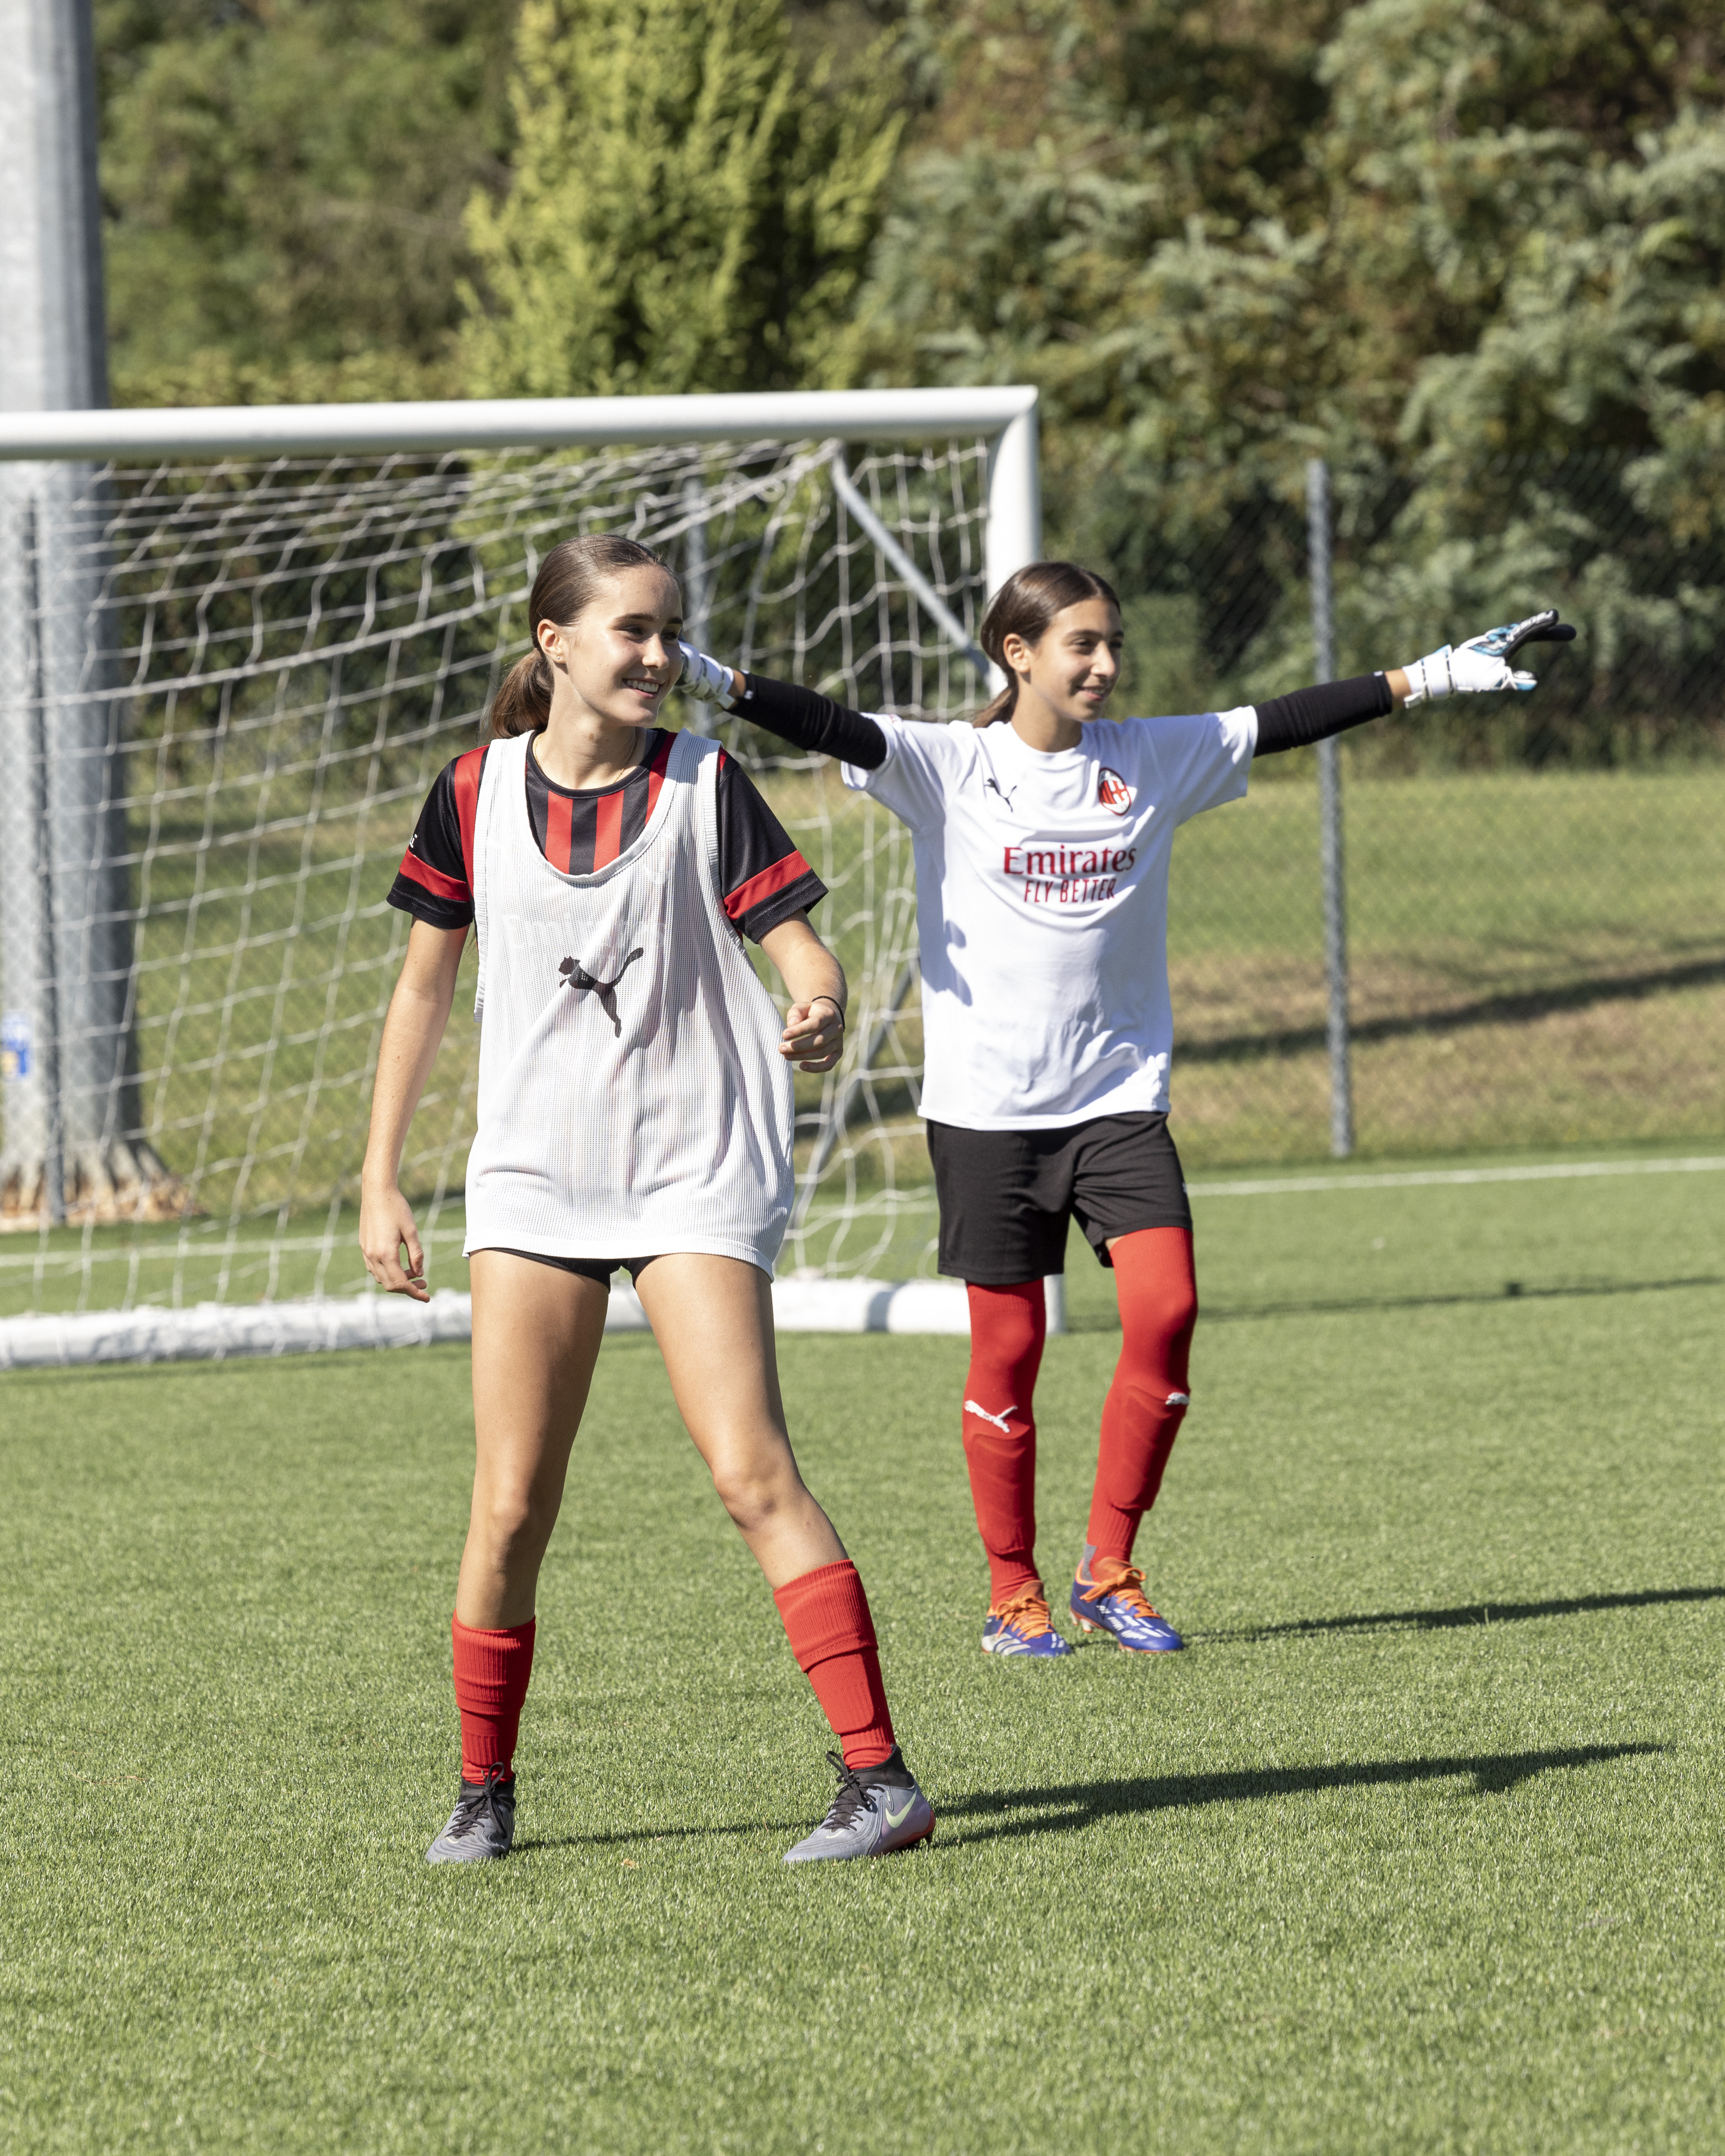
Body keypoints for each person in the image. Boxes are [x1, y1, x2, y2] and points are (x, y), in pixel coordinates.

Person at [676, 570, 1571, 1657]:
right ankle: (1013, 1593)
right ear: (1017, 653)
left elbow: (1288, 718)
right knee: (1009, 1351)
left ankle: (1108, 1569)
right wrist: (710, 678)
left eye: (1112, 644)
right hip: (987, 1113)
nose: (1104, 665)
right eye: (1082, 645)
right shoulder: (948, 765)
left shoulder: (1151, 757)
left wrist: (1432, 675)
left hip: (1118, 1103)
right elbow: (828, 722)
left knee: (1166, 1311)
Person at [360, 533, 935, 1864]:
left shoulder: (706, 781)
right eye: (632, 630)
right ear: (554, 641)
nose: (660, 655)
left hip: (691, 1171)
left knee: (750, 1472)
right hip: (532, 1181)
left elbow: (804, 950)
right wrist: (379, 1175)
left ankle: (880, 1781)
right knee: (510, 1503)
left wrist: (819, 1004)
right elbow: (423, 987)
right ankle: (482, 1791)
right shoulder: (470, 790)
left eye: (669, 631)